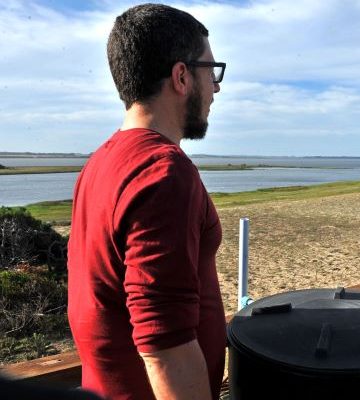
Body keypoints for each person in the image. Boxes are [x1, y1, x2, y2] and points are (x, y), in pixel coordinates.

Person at [67, 4, 227, 399]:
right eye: (211, 71)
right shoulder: (164, 172)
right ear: (182, 76)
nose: (217, 87)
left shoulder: (102, 160)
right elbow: (164, 348)